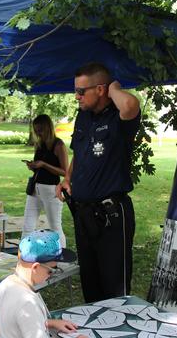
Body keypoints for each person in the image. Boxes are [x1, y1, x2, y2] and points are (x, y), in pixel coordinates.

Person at [56, 62, 141, 302]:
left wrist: (114, 87)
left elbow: (131, 104)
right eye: (76, 91)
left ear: (101, 90)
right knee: (90, 284)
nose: (77, 97)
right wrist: (67, 178)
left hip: (112, 214)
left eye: (82, 91)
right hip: (84, 213)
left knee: (115, 287)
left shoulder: (119, 118)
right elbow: (79, 153)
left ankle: (117, 333)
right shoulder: (83, 117)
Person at [0, 230, 108, 338]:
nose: (52, 275)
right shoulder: (27, 302)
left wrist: (49, 323)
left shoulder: (7, 284)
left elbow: (14, 323)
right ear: (35, 267)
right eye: (51, 270)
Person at [21, 114, 69, 248]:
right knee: (27, 225)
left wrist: (44, 165)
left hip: (51, 190)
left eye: (40, 130)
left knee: (55, 226)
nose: (38, 133)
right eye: (36, 131)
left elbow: (65, 171)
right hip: (35, 188)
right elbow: (40, 166)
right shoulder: (39, 144)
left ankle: (62, 257)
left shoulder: (58, 145)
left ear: (48, 128)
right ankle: (24, 256)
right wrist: (33, 166)